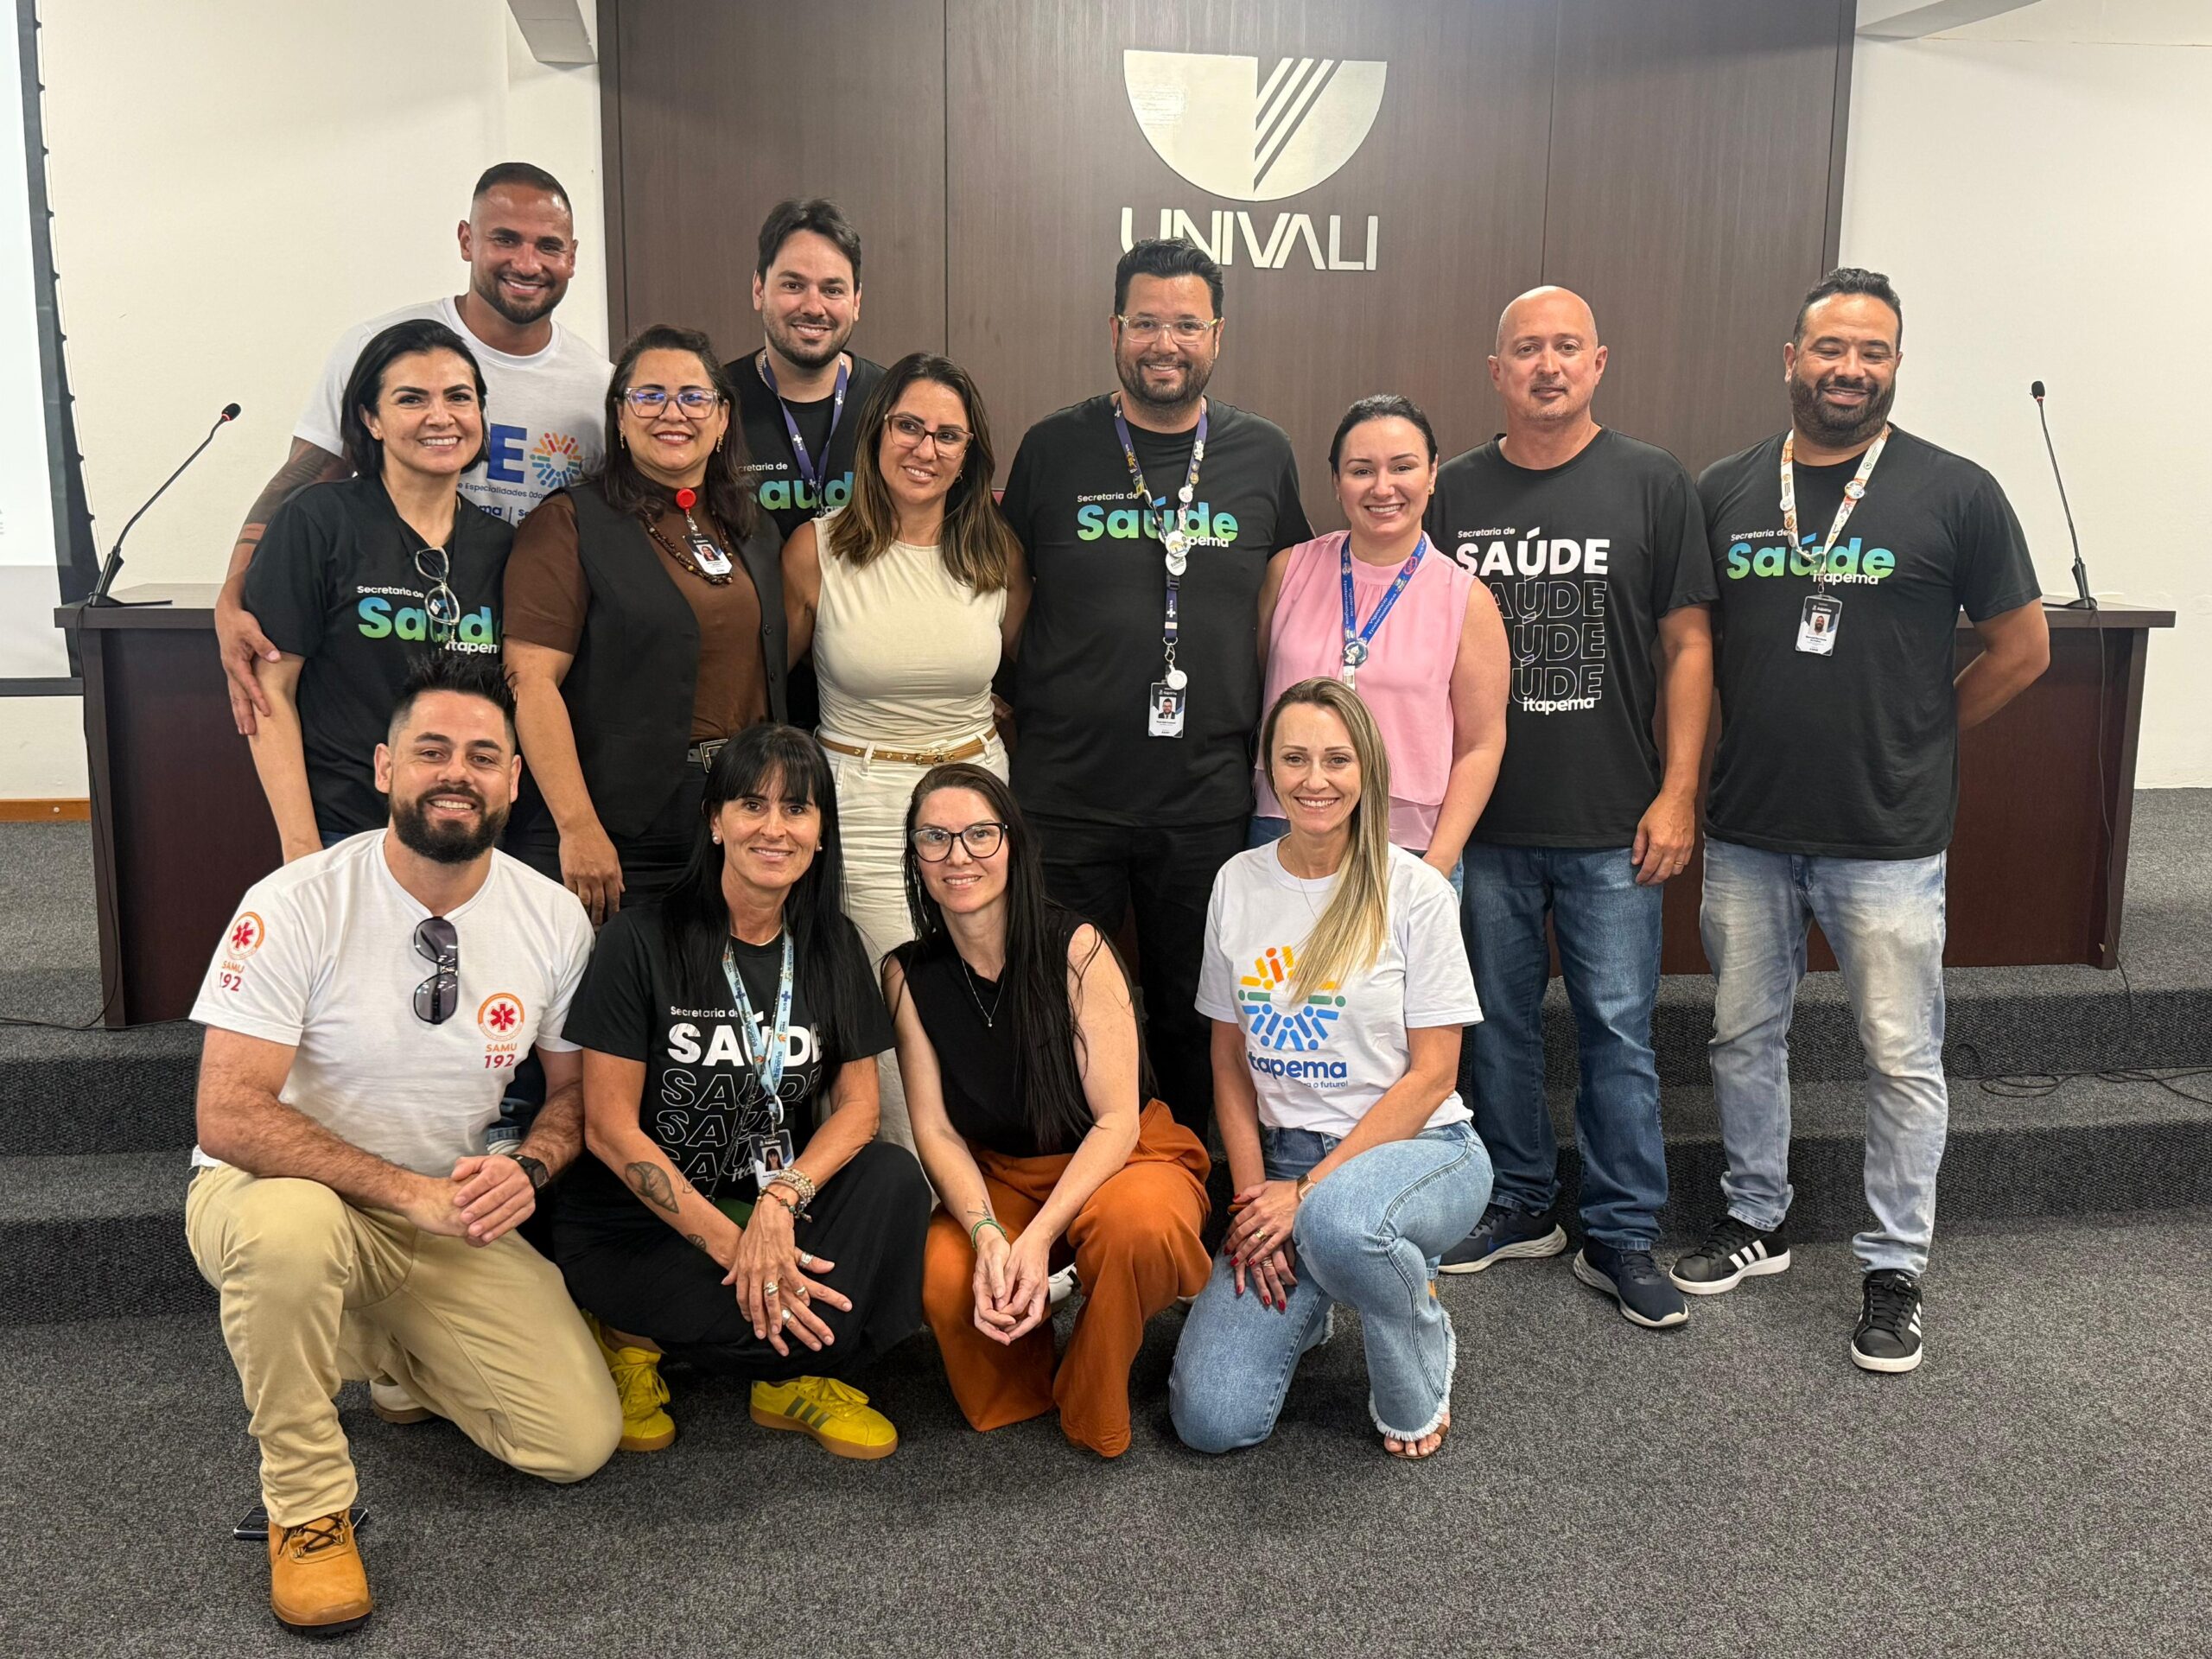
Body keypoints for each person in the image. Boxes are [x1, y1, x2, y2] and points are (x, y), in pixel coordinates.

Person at [186, 652, 620, 1637]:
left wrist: (530, 1166)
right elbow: (230, 1115)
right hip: (274, 1195)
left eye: (482, 756)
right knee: (293, 1234)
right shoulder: (297, 900)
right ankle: (308, 1508)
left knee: (573, 1441)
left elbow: (571, 1099)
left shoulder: (551, 916)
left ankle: (381, 1346)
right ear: (385, 768)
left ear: (514, 780)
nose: (457, 772)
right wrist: (404, 1192)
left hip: (439, 1213)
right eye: (432, 750)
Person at [1677, 268, 2049, 1373]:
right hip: (1749, 825)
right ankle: (1756, 1218)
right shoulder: (1726, 487)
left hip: (1886, 837)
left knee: (1898, 1056)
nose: (1849, 369)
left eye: (1872, 352)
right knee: (1742, 1037)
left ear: (1894, 366)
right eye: (1830, 348)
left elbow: (2022, 648)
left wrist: (1925, 729)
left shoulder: (1957, 490)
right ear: (1790, 358)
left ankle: (1894, 1270)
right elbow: (1691, 646)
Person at [1424, 287, 1716, 1332]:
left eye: (1565, 348)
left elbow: (1688, 644)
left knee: (1617, 1035)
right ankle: (1518, 1201)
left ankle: (1622, 1233)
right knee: (1494, 1028)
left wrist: (1677, 791)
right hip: (1484, 825)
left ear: (1598, 363)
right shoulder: (1451, 491)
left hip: (1612, 823)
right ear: (1495, 371)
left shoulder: (1652, 482)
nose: (1546, 365)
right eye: (1525, 349)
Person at [999, 237, 1313, 1137]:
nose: (1163, 343)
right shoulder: (1053, 447)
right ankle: (1080, 1188)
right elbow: (1010, 594)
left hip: (1203, 796)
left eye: (1185, 324)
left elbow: (1279, 606)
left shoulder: (1262, 453)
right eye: (1145, 323)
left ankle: (1195, 1187)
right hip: (1067, 790)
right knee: (1065, 1007)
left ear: (1216, 335)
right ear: (1114, 330)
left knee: (1195, 1010)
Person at [551, 723, 931, 1458]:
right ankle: (632, 1340)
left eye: (797, 809)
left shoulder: (833, 945)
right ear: (715, 821)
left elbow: (860, 1108)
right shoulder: (639, 941)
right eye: (752, 805)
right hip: (641, 1222)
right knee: (819, 1319)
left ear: (821, 832)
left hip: (770, 1207)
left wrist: (781, 1204)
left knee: (893, 1179)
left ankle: (772, 1371)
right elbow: (607, 1129)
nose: (774, 828)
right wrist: (739, 1248)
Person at [1170, 679, 1491, 1460]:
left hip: (1419, 1152)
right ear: (1269, 770)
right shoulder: (1237, 882)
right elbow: (1228, 1057)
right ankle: (1323, 1283)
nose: (1315, 779)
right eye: (1295, 759)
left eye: (1337, 760)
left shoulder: (1415, 889)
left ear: (1367, 769)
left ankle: (1418, 1335)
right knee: (1212, 1421)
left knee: (1342, 1222)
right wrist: (1257, 1204)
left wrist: (1307, 1196)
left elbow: (1435, 1075)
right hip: (1284, 1164)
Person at [887, 765, 1211, 1458]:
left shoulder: (1077, 946)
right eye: (935, 838)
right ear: (915, 856)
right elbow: (935, 1130)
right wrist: (987, 1235)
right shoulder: (905, 973)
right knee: (946, 1271)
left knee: (1140, 1227)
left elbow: (1116, 1122)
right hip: (1004, 1175)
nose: (958, 855)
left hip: (1121, 1160)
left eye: (979, 834)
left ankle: (1092, 1391)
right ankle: (1020, 1386)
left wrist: (1035, 1241)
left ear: (1013, 842)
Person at [219, 162, 609, 735]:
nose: (527, 263)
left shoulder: (598, 387)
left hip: (516, 654)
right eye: (505, 239)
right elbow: (304, 478)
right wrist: (233, 593)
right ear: (467, 240)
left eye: (548, 246)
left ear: (571, 256)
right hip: (381, 644)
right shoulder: (379, 345)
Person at [783, 353, 1027, 1148]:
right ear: (876, 434)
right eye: (909, 427)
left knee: (985, 987)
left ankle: (987, 1186)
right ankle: (904, 1187)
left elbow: (1019, 668)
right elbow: (772, 686)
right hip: (864, 803)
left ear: (970, 451)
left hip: (976, 796)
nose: (926, 448)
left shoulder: (996, 553)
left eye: (947, 435)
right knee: (893, 1007)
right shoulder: (815, 550)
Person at [505, 323, 789, 925]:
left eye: (694, 397)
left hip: (737, 811)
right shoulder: (570, 522)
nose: (672, 413)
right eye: (649, 395)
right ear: (620, 415)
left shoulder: (753, 527)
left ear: (722, 418)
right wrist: (578, 826)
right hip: (619, 825)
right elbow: (531, 682)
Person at [242, 319, 512, 858]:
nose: (441, 417)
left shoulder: (504, 544)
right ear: (371, 420)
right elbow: (271, 692)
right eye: (411, 399)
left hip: (468, 834)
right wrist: (302, 848)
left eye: (459, 397)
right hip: (344, 833)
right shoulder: (318, 519)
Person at [1253, 393, 1508, 880]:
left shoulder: (1466, 599)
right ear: (1337, 482)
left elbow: (1481, 744)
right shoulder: (1287, 573)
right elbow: (1262, 681)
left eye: (1403, 467)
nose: (1383, 487)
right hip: (1283, 830)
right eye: (1362, 470)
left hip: (1407, 849)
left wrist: (1439, 862)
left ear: (1432, 474)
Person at [728, 198, 888, 539]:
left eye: (832, 290)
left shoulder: (892, 403)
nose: (814, 307)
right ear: (759, 289)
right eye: (793, 285)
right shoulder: (714, 403)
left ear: (856, 301)